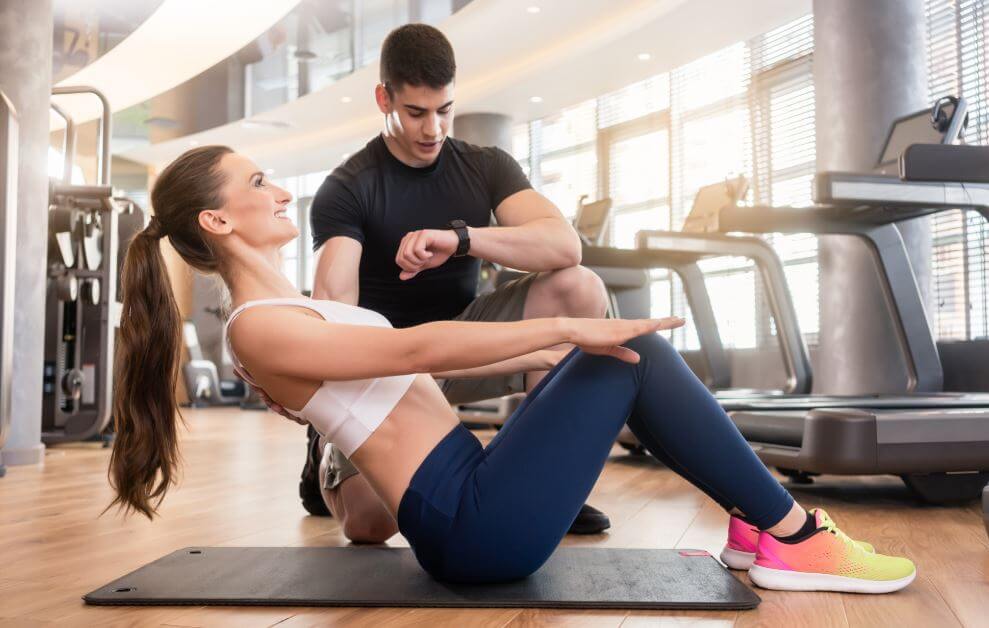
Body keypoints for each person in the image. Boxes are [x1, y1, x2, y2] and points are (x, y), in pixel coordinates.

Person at [108, 144, 917, 593]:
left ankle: (757, 523)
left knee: (615, 352)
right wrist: (566, 326)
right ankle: (793, 536)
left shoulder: (288, 310)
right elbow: (414, 350)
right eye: (258, 183)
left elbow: (402, 383)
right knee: (633, 350)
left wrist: (547, 353)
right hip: (469, 526)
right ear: (218, 220)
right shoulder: (258, 328)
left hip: (469, 489)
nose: (281, 191)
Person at [286, 23, 611, 540]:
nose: (433, 129)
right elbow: (334, 315)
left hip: (462, 345)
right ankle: (322, 456)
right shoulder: (347, 188)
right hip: (386, 365)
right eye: (416, 112)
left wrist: (462, 239)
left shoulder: (484, 167)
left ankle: (546, 484)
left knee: (579, 287)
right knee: (371, 525)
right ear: (384, 99)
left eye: (445, 110)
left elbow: (564, 246)